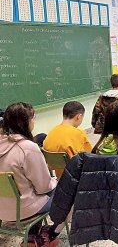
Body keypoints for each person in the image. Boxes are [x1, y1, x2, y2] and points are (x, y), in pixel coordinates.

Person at [0, 102, 62, 246]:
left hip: (3, 211)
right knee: (67, 193)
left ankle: (32, 236)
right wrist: (55, 181)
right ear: (26, 122)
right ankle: (49, 235)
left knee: (33, 193)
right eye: (33, 118)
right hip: (23, 211)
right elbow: (44, 187)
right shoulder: (28, 148)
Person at [43, 101, 92, 177]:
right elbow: (90, 158)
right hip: (78, 179)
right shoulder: (79, 133)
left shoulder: (50, 134)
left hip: (60, 179)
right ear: (78, 116)